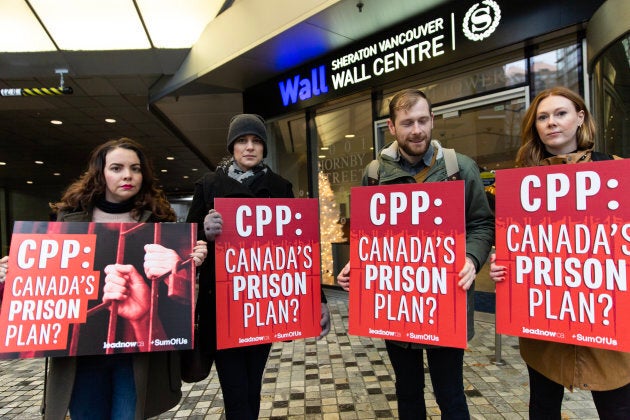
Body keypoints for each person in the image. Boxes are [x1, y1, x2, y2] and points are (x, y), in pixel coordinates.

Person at [337, 89, 495, 419]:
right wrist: (359, 262)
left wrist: (471, 258)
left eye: (423, 120)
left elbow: (482, 224)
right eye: (407, 123)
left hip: (446, 300)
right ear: (392, 128)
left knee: (450, 392)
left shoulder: (459, 168)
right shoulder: (374, 174)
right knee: (407, 391)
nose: (417, 130)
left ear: (433, 120)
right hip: (398, 305)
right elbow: (369, 235)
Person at [29, 137, 208, 420]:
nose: (127, 175)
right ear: (99, 174)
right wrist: (14, 271)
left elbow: (177, 310)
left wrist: (185, 267)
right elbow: (45, 289)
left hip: (135, 355)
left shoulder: (159, 222)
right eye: (117, 168)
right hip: (80, 356)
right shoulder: (68, 221)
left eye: (135, 168)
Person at [489, 86, 630, 419]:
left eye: (561, 113)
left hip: (607, 327)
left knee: (618, 410)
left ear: (580, 117)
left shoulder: (618, 171)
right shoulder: (522, 184)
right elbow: (518, 249)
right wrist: (503, 265)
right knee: (542, 408)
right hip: (545, 329)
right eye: (543, 117)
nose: (551, 122)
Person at [186, 113, 331, 419]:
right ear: (232, 147)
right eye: (242, 141)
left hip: (261, 306)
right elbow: (186, 244)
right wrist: (203, 231)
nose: (249, 147)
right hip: (222, 306)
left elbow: (299, 249)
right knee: (236, 392)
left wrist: (318, 300)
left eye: (256, 141)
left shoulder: (280, 187)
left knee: (252, 386)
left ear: (264, 147)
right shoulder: (209, 185)